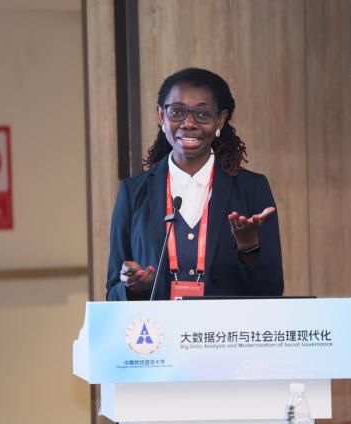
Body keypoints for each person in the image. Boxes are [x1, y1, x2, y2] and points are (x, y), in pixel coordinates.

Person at [106, 67, 284, 300]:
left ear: (220, 120)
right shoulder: (132, 193)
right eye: (177, 112)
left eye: (203, 114)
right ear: (161, 115)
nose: (188, 123)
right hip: (159, 325)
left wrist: (248, 248)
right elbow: (113, 292)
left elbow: (272, 290)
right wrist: (131, 285)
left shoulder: (252, 189)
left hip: (227, 324)